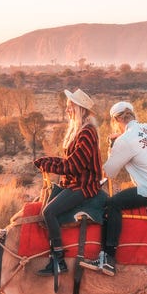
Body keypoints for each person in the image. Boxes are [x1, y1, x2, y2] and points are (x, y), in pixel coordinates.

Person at [87, 100, 147, 274]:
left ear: (115, 121)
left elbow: (109, 172)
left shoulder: (125, 140)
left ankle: (108, 259)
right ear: (133, 115)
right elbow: (139, 144)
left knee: (113, 204)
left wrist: (112, 146)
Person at [33, 89, 104, 275]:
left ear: (79, 109)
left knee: (49, 212)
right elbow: (70, 162)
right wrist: (48, 161)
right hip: (75, 183)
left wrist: (49, 164)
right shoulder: (81, 131)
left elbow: (74, 166)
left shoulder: (87, 133)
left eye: (69, 107)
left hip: (84, 186)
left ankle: (58, 259)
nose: (67, 111)